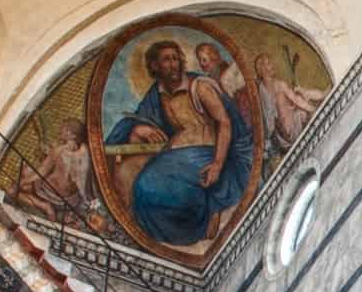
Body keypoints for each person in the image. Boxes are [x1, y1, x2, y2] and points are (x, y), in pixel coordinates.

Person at [99, 37, 253, 252]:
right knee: (139, 184)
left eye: (175, 58)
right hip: (174, 155)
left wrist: (218, 164)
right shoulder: (157, 94)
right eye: (166, 60)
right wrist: (140, 129)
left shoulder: (199, 87)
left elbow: (225, 123)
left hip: (208, 152)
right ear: (155, 66)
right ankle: (158, 238)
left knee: (149, 183)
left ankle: (208, 212)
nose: (173, 64)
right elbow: (140, 120)